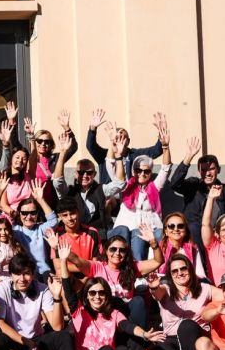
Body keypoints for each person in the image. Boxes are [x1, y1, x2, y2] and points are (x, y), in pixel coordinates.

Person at [55, 251, 132, 350]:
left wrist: (145, 335)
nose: (97, 297)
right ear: (87, 295)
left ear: (107, 295)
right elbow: (67, 286)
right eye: (92, 293)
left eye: (101, 292)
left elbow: (127, 326)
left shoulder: (114, 314)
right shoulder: (78, 311)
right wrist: (63, 261)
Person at [145, 254, 221, 350]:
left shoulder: (204, 288)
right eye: (175, 271)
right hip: (172, 339)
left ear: (190, 270)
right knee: (162, 347)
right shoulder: (166, 289)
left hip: (195, 339)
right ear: (170, 274)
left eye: (183, 269)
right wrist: (153, 287)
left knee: (187, 325)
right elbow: (157, 293)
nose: (179, 273)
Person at [107, 133, 173, 261]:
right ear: (133, 171)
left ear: (150, 173)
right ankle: (138, 274)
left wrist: (165, 147)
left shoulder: (155, 187)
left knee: (161, 234)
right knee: (137, 235)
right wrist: (117, 153)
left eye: (146, 171)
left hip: (152, 229)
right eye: (138, 170)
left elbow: (166, 169)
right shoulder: (126, 186)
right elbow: (111, 168)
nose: (142, 173)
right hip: (130, 230)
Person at [171, 137, 225, 238]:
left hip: (220, 232)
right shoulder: (193, 185)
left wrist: (224, 229)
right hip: (195, 231)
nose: (208, 173)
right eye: (204, 170)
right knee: (194, 228)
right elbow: (174, 184)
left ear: (218, 170)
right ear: (199, 172)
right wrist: (188, 157)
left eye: (211, 169)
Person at [85, 109, 165, 183]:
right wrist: (92, 129)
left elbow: (156, 151)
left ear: (128, 141)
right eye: (117, 137)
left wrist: (162, 131)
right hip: (109, 197)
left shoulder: (134, 154)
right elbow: (91, 146)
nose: (120, 140)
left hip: (129, 196)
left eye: (123, 137)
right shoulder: (105, 155)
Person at [157, 211, 207, 282]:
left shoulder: (193, 248)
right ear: (166, 231)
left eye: (180, 226)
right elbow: (154, 276)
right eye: (171, 226)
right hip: (165, 285)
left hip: (188, 283)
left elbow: (200, 274)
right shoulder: (157, 248)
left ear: (185, 230)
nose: (176, 229)